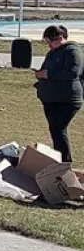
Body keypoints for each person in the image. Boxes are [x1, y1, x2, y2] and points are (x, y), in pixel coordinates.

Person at [35, 25, 84, 162]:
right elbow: (47, 70)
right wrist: (40, 74)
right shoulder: (52, 53)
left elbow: (73, 73)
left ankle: (65, 162)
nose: (49, 45)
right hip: (51, 98)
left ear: (60, 37)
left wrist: (48, 74)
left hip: (67, 99)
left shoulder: (72, 51)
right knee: (54, 130)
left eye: (50, 41)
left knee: (58, 128)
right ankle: (58, 160)